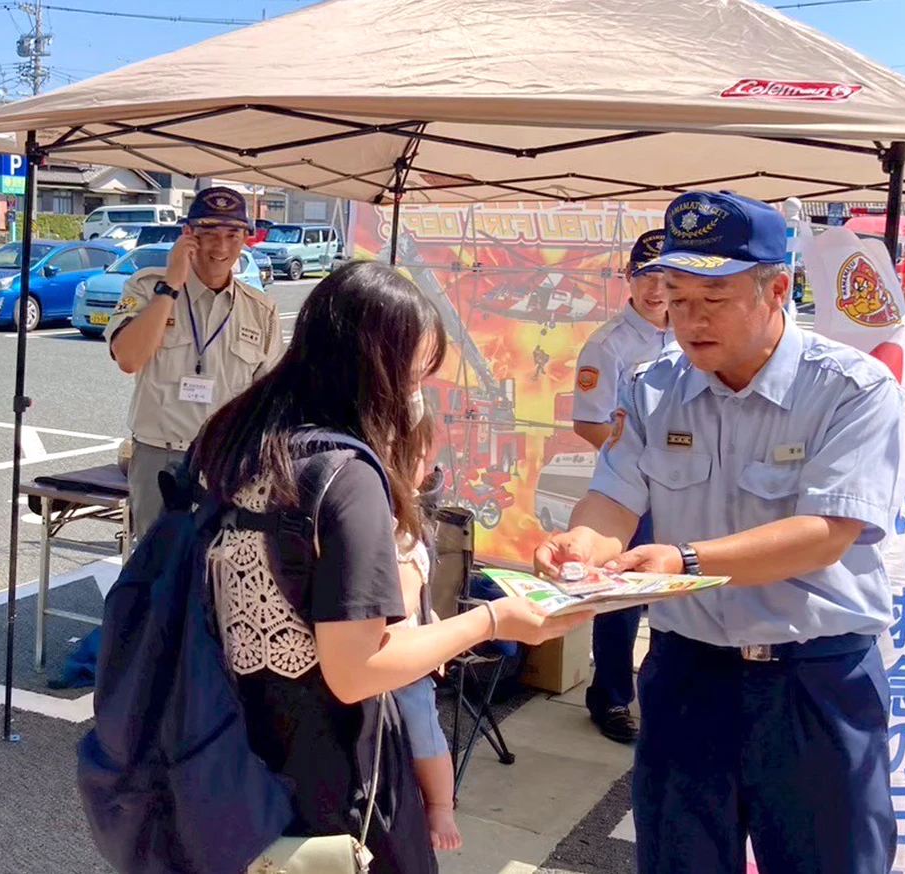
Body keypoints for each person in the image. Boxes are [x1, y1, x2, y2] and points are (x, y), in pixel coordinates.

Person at [535, 191, 904, 874]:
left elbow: (826, 532)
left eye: (714, 299)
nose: (690, 321)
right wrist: (581, 546)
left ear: (776, 290)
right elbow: (613, 496)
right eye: (676, 299)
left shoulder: (852, 389)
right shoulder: (653, 388)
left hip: (813, 681)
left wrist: (687, 558)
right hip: (688, 673)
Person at [195, 261, 589, 873]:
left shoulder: (242, 440)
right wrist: (492, 621)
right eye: (414, 374)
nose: (418, 395)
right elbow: (357, 670)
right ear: (374, 367)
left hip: (228, 747)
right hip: (335, 776)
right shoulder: (345, 479)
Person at [105, 186, 282, 542]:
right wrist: (171, 285)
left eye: (232, 235)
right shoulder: (147, 287)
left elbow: (269, 400)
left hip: (226, 462)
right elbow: (128, 358)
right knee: (156, 573)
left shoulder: (260, 310)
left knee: (218, 573)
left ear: (246, 238)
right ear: (189, 235)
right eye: (209, 234)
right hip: (160, 457)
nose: (220, 248)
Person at [570, 228, 671, 744]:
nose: (655, 290)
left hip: (682, 492)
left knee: (678, 596)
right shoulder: (609, 345)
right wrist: (633, 450)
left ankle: (663, 694)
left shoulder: (690, 335)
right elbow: (587, 423)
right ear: (627, 280)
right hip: (629, 491)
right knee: (621, 598)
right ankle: (610, 699)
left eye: (664, 277)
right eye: (644, 276)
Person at [392, 455, 459, 851]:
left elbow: (414, 597)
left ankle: (440, 804)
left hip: (406, 655)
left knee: (422, 726)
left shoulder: (411, 524)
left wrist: (433, 625)